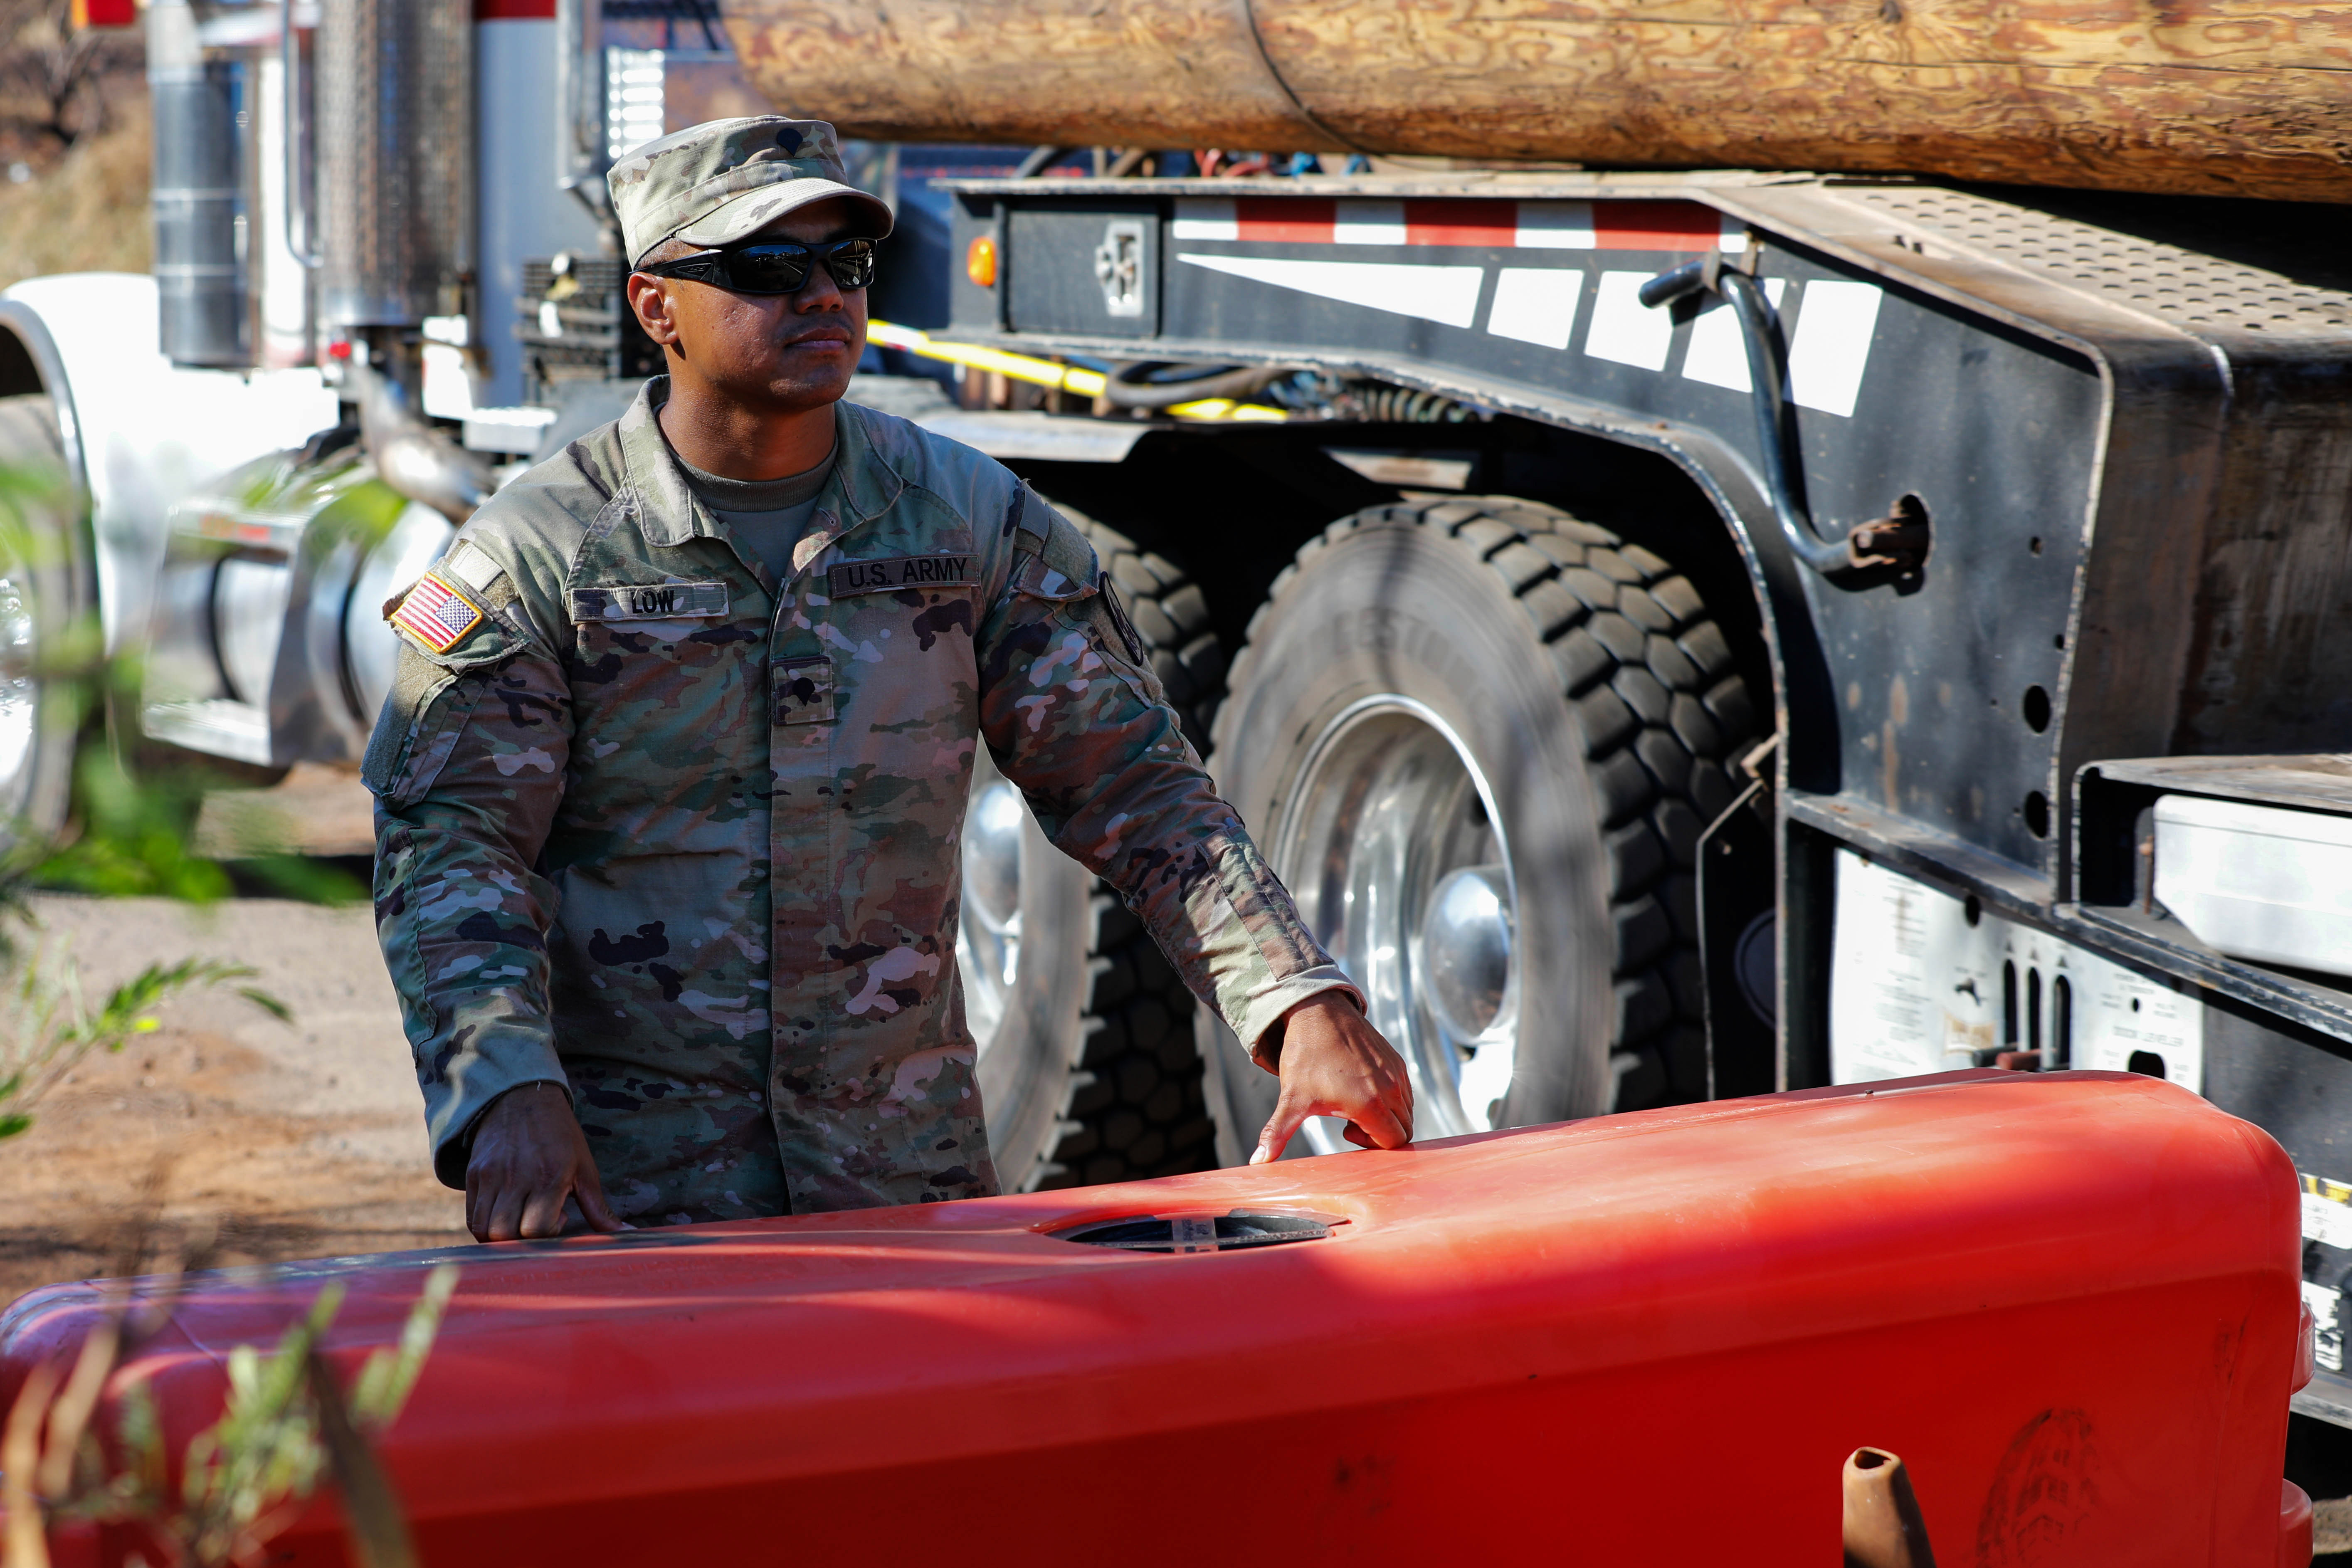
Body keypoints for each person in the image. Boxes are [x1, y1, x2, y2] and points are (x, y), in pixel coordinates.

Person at [365, 116, 1414, 1243]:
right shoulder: (544, 553)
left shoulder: (966, 521)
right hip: (635, 1202)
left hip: (908, 1184)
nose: (820, 294)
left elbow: (1135, 789)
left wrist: (1294, 996)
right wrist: (505, 1084)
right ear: (654, 307)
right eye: (767, 266)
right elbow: (453, 847)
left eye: (845, 263)